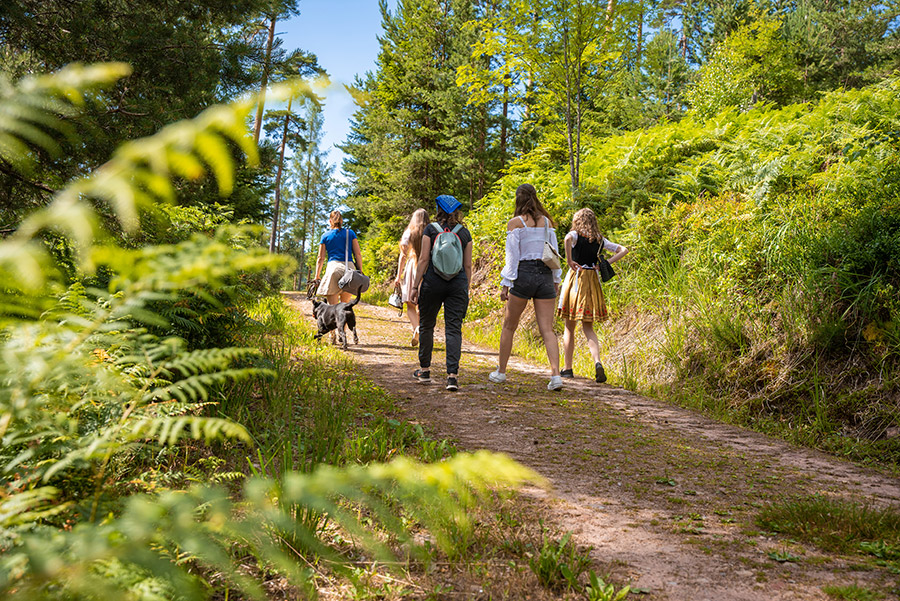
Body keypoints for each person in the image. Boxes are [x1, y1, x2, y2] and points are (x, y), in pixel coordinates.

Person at [489, 183, 564, 391]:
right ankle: (556, 376)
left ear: (517, 199)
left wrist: (506, 284)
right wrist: (556, 280)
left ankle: (501, 372)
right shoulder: (547, 223)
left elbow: (512, 258)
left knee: (509, 326)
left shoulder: (515, 223)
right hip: (545, 276)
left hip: (524, 275)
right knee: (547, 330)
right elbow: (554, 254)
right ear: (535, 197)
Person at [557, 207, 629, 383]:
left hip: (577, 278)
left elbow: (566, 238)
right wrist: (605, 263)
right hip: (592, 281)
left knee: (569, 326)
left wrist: (569, 260)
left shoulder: (574, 235)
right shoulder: (600, 240)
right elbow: (623, 249)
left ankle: (567, 368)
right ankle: (597, 362)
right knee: (588, 327)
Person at [409, 195, 473, 392]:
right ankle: (452, 376)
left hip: (433, 281)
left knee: (427, 325)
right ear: (457, 211)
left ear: (439, 210)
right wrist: (465, 287)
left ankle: (425, 370)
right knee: (453, 328)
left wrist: (414, 285)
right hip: (457, 283)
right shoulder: (465, 233)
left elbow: (423, 259)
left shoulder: (431, 230)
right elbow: (468, 265)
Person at [313, 210, 364, 306]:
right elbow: (358, 254)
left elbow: (321, 258)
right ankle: (343, 321)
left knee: (333, 309)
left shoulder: (325, 236)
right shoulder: (350, 233)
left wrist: (317, 276)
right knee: (344, 307)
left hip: (333, 268)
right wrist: (360, 270)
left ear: (330, 221)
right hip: (349, 270)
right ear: (341, 221)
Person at [395, 208, 428, 347]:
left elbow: (403, 255)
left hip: (412, 267)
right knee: (422, 304)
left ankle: (417, 328)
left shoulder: (409, 232)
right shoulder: (431, 231)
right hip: (427, 267)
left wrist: (398, 276)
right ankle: (421, 330)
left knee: (410, 303)